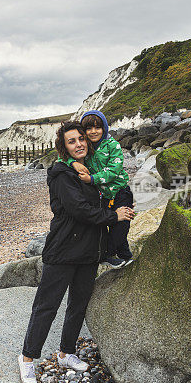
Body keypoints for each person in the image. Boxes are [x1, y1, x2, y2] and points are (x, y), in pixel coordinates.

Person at [19, 122, 134, 383]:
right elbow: (79, 209)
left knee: (78, 304)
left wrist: (122, 208)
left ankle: (66, 352)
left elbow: (109, 193)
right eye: (72, 141)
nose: (79, 144)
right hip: (63, 250)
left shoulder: (91, 171)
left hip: (89, 251)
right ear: (64, 147)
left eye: (81, 139)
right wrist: (112, 215)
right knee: (46, 306)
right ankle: (27, 359)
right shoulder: (61, 173)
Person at [71, 110, 134, 268]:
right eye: (89, 128)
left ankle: (106, 254)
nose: (93, 132)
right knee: (108, 224)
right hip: (102, 196)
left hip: (121, 192)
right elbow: (63, 156)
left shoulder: (112, 145)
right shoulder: (85, 146)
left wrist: (92, 179)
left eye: (97, 127)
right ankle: (126, 256)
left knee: (122, 224)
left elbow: (114, 170)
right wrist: (73, 163)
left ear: (104, 128)